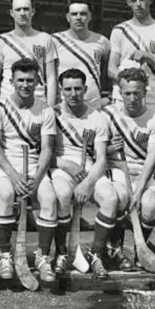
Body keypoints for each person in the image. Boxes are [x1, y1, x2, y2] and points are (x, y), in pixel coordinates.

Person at [0, 58, 56, 282]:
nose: (25, 85)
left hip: (34, 168)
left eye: (30, 80)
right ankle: (5, 255)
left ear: (38, 80)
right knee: (6, 194)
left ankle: (43, 257)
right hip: (7, 167)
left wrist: (36, 180)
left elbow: (47, 149)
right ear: (11, 81)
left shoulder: (45, 110)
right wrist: (14, 176)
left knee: (48, 198)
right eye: (20, 80)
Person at [50, 69, 114, 278]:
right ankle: (61, 253)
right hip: (61, 167)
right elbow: (42, 154)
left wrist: (88, 183)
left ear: (85, 89)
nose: (73, 93)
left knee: (110, 198)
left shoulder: (98, 117)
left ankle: (96, 255)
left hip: (90, 169)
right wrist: (66, 164)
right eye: (68, 89)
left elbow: (102, 158)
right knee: (61, 194)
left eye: (78, 88)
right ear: (61, 90)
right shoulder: (52, 114)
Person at [101, 68, 155, 271]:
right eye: (127, 93)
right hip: (118, 169)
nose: (132, 98)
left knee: (148, 207)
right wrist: (113, 147)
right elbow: (99, 152)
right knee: (120, 199)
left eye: (137, 93)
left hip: (143, 173)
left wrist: (139, 190)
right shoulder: (108, 114)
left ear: (145, 92)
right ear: (120, 93)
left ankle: (140, 250)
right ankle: (115, 249)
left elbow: (152, 157)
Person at [0, 0, 57, 105]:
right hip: (8, 105)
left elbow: (51, 77)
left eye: (26, 9)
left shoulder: (45, 38)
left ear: (32, 11)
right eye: (18, 9)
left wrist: (50, 107)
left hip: (38, 103)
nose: (22, 13)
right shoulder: (2, 40)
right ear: (11, 13)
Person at [52, 0, 110, 109]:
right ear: (67, 17)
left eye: (83, 14)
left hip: (94, 109)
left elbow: (110, 73)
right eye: (74, 14)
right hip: (63, 109)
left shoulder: (102, 41)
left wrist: (107, 98)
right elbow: (48, 77)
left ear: (90, 16)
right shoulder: (54, 41)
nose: (78, 17)